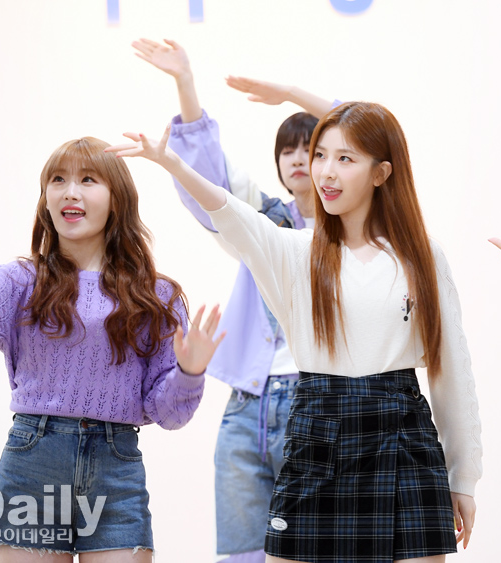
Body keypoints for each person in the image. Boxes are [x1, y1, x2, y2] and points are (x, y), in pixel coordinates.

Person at [106, 101, 482, 563]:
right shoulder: (296, 251)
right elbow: (230, 213)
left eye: (345, 158)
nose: (325, 171)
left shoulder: (422, 255)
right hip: (317, 431)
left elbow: (452, 369)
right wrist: (173, 163)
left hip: (402, 436)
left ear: (382, 173)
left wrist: (463, 478)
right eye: (320, 155)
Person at [0, 136, 225, 563]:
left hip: (116, 473)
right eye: (58, 180)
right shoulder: (22, 281)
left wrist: (190, 373)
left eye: (88, 179)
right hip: (32, 466)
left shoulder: (156, 296)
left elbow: (169, 414)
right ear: (45, 200)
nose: (70, 192)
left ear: (117, 199)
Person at [132, 38, 336, 563]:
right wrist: (185, 83)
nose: (299, 158)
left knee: (316, 550)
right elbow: (210, 184)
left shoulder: (358, 234)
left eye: (312, 148)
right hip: (248, 403)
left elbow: (370, 128)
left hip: (319, 401)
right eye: (288, 150)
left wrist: (291, 92)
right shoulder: (262, 223)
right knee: (243, 555)